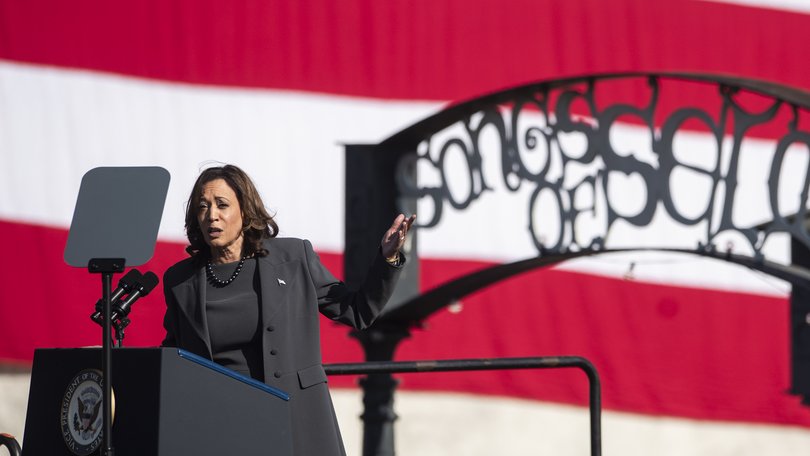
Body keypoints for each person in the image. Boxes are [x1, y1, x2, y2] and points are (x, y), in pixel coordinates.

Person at [160, 164, 414, 455]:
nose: (211, 216)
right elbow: (173, 356)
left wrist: (387, 258)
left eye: (222, 205)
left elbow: (357, 311)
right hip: (223, 426)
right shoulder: (180, 280)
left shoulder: (293, 258)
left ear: (245, 211)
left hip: (293, 417)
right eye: (202, 207)